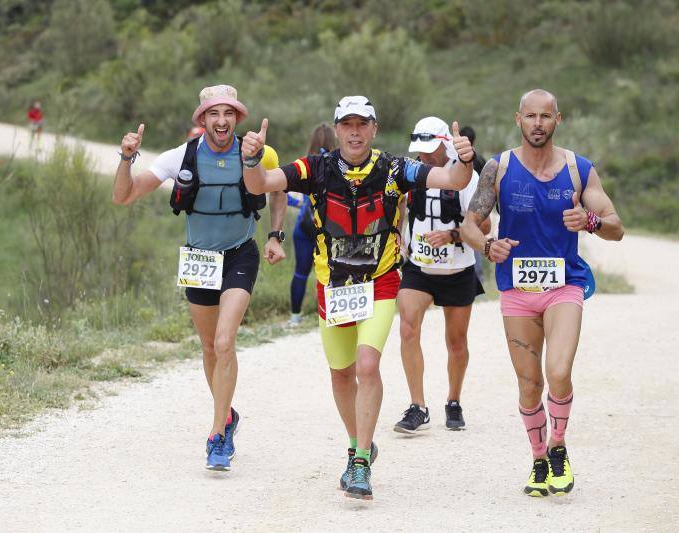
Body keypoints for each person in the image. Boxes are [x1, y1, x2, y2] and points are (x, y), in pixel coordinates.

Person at [241, 95, 476, 500]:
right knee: (341, 374)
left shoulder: (395, 168)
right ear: (336, 129)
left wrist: (464, 159)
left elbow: (453, 180)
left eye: (361, 124)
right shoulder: (315, 167)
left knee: (368, 365)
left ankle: (361, 461)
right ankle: (357, 443)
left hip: (380, 281)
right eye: (346, 124)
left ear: (374, 128)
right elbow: (260, 185)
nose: (354, 131)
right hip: (332, 287)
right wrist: (251, 160)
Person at [112, 84, 287, 471]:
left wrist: (275, 234)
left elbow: (280, 189)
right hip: (199, 260)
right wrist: (127, 158)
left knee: (225, 341)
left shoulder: (257, 151)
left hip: (241, 254)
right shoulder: (181, 156)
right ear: (203, 119)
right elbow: (124, 196)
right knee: (209, 347)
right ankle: (227, 414)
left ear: (237, 119)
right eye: (213, 114)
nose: (221, 121)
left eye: (228, 114)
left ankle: (217, 436)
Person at [460, 89, 623, 497]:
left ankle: (558, 447)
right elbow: (468, 224)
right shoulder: (498, 168)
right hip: (517, 291)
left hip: (564, 285)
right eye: (530, 116)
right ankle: (537, 459)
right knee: (530, 383)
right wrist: (486, 246)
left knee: (559, 373)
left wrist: (588, 221)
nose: (537, 123)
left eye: (545, 117)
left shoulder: (578, 169)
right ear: (518, 119)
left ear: (557, 119)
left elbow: (616, 227)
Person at [394, 116, 490, 435]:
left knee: (456, 341)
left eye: (430, 150)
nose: (424, 157)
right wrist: (397, 236)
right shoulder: (414, 172)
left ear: (444, 143)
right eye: (419, 151)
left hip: (457, 269)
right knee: (408, 327)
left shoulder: (467, 177)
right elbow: (400, 209)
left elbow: (484, 226)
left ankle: (453, 400)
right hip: (418, 268)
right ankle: (417, 406)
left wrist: (452, 235)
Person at [287, 123, 336, 326]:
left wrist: (300, 203)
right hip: (330, 229)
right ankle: (333, 314)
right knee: (333, 272)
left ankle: (295, 317)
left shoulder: (304, 164)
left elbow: (287, 195)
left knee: (300, 273)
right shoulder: (339, 164)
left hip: (305, 227)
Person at [459, 125, 488, 283]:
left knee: (465, 236)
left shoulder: (456, 159)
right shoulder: (480, 159)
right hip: (477, 208)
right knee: (475, 239)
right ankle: (478, 278)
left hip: (458, 208)